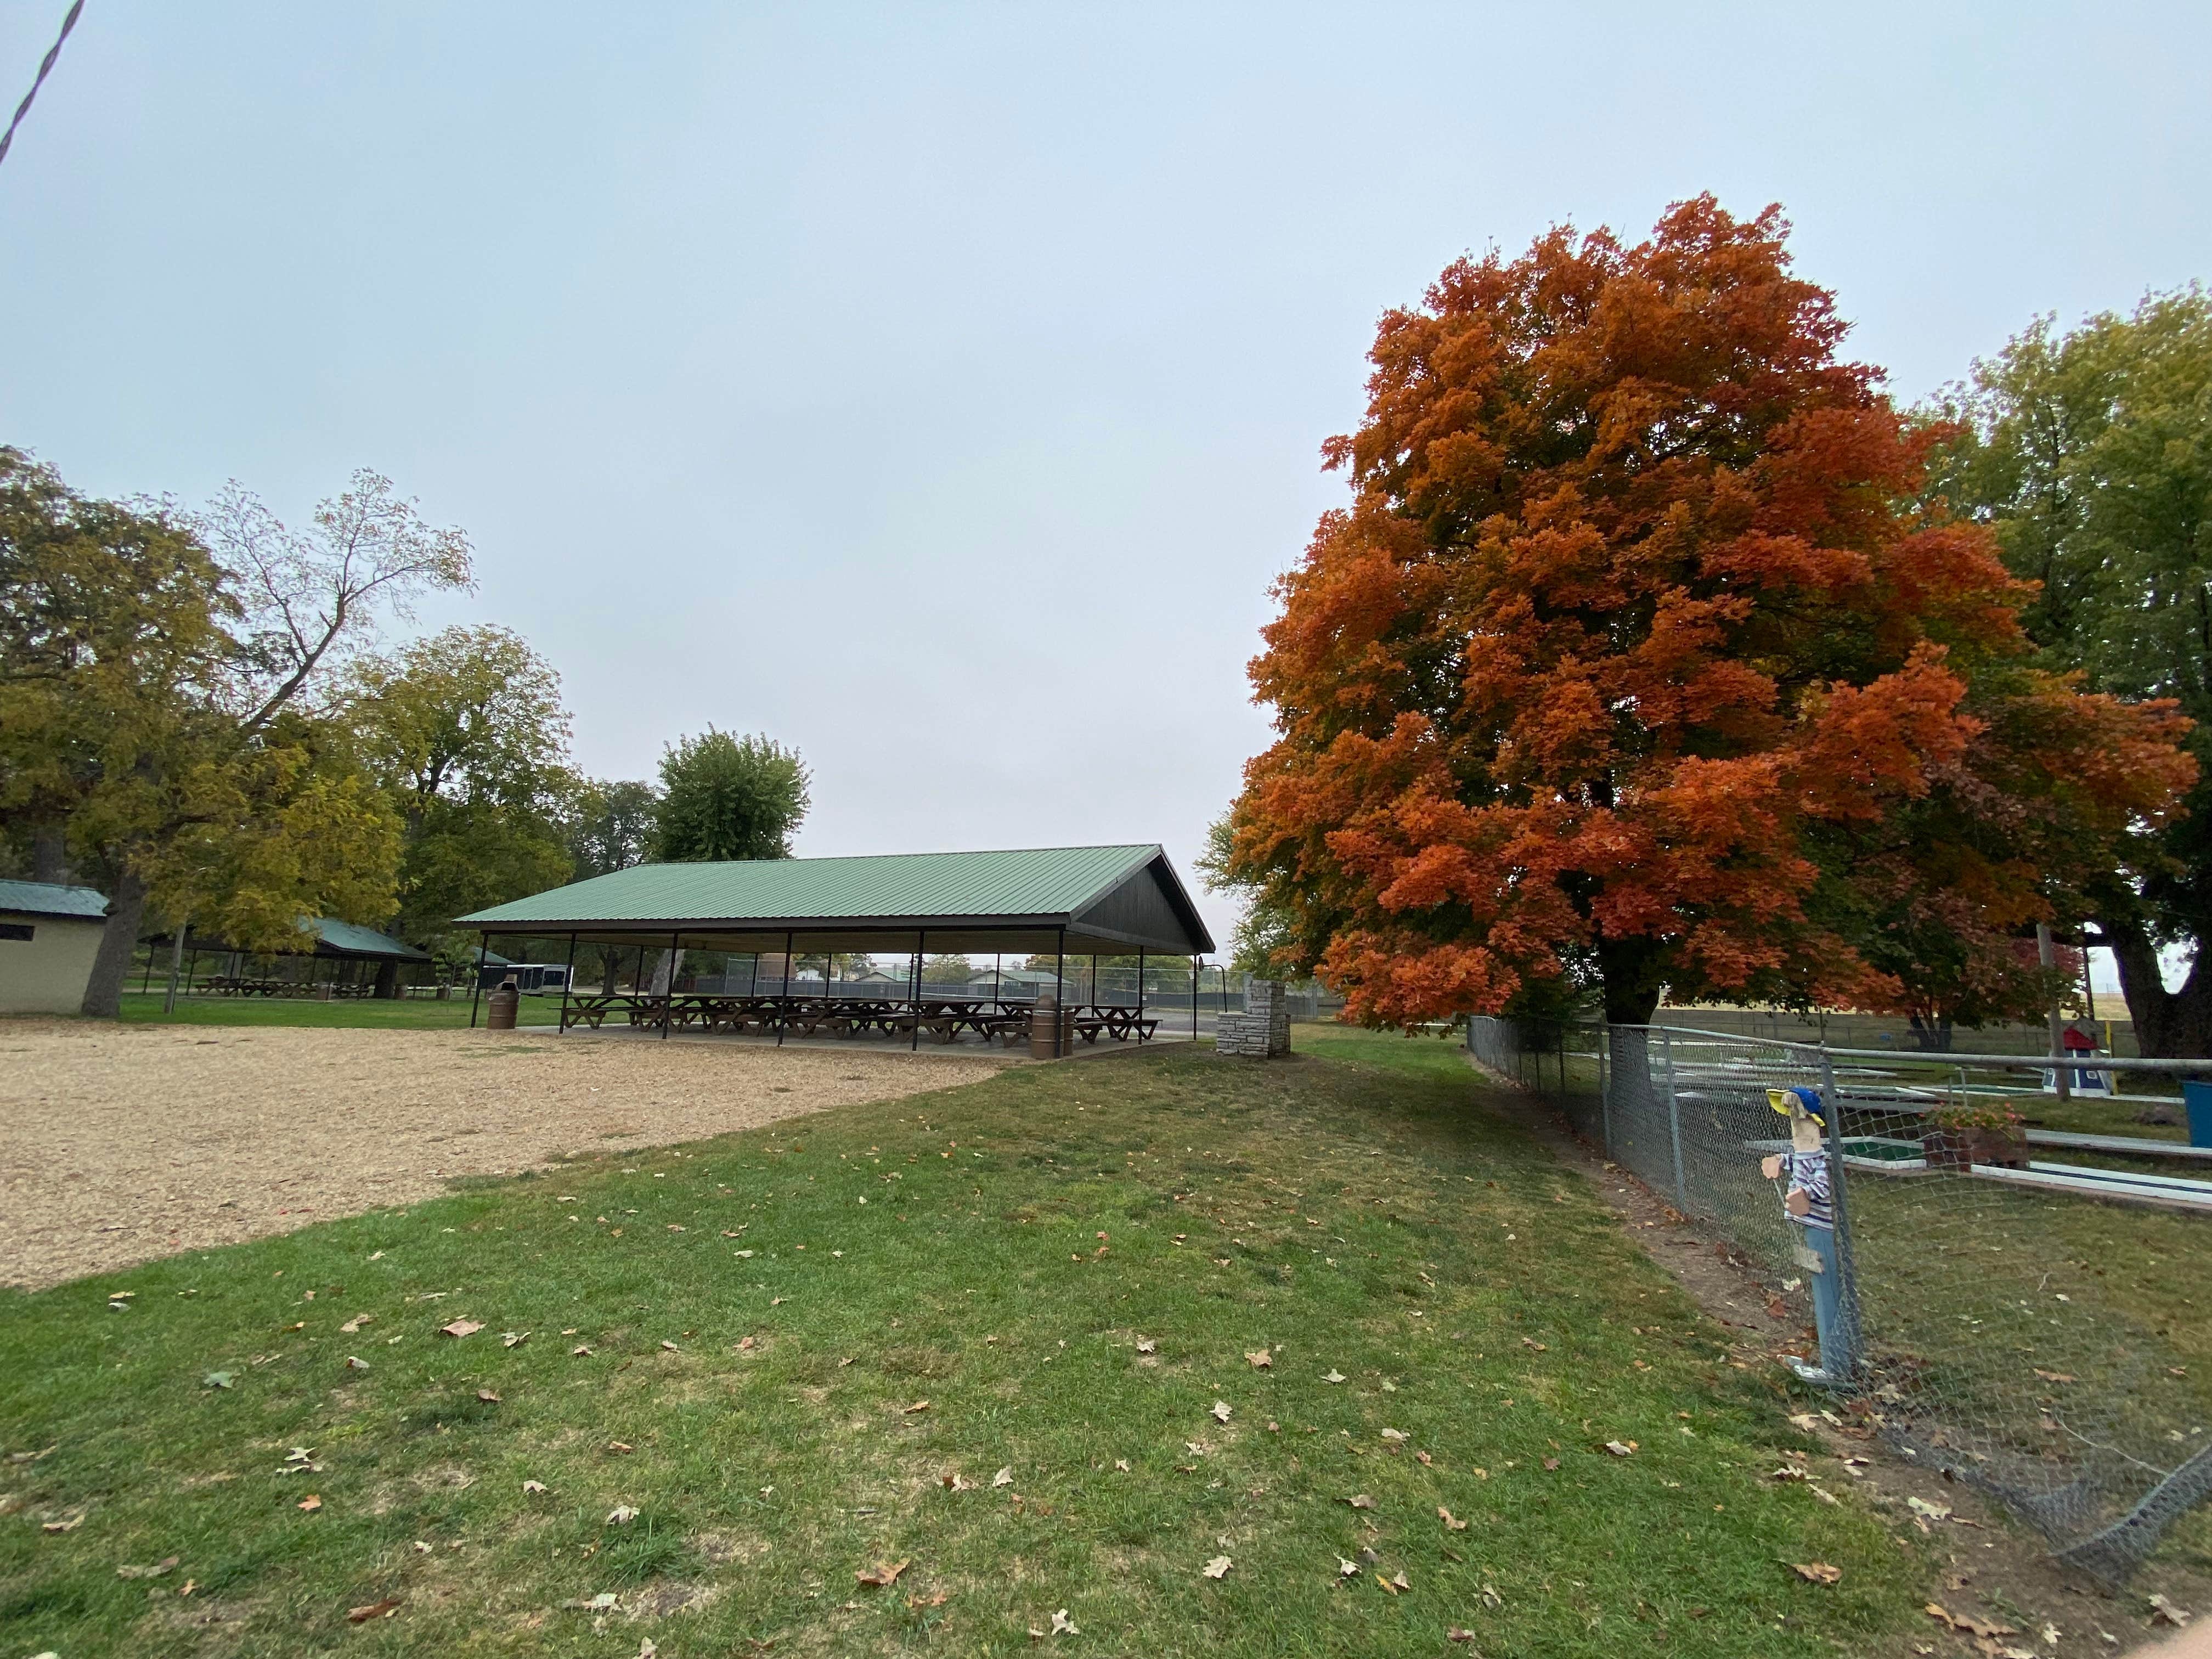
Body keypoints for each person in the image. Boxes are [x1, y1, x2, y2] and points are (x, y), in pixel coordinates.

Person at [1762, 1086, 1854, 1384]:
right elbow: (1792, 1162)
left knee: (1823, 1275)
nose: (1798, 1133)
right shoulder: (1801, 1156)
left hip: (1820, 1225)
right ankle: (1829, 1358)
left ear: (1816, 1128)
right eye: (1795, 1129)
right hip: (1806, 1224)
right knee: (1814, 1270)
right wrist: (1777, 1163)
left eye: (1803, 1127)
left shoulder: (1818, 1159)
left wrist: (1805, 1195)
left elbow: (1822, 1187)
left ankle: (1835, 1364)